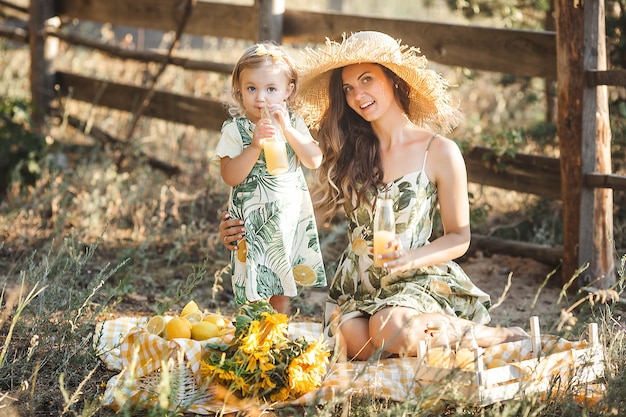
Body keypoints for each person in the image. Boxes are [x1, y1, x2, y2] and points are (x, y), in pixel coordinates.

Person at [219, 32, 527, 360]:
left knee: (388, 327)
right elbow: (299, 213)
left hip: (411, 278)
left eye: (367, 79)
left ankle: (498, 335)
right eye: (348, 88)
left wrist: (411, 257)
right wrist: (245, 230)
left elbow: (459, 238)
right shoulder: (347, 150)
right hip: (359, 286)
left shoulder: (438, 151)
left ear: (394, 80)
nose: (358, 95)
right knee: (349, 342)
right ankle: (413, 340)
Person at [214, 42, 326, 314]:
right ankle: (252, 333)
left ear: (288, 90)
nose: (261, 98)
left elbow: (314, 159)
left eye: (271, 89)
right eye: (251, 88)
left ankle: (277, 334)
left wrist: (287, 129)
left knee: (280, 281)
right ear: (239, 89)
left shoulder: (294, 125)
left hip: (286, 220)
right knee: (251, 281)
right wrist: (253, 146)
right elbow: (230, 176)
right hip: (251, 221)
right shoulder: (235, 129)